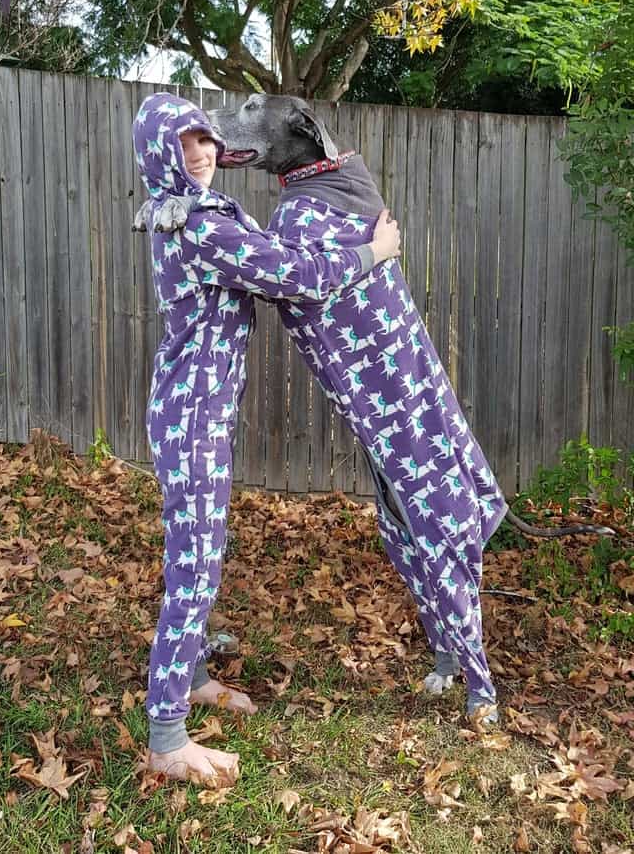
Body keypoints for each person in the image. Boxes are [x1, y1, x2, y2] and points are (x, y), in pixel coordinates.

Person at [132, 92, 401, 785]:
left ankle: (188, 675)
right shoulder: (200, 227)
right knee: (194, 568)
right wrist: (373, 251)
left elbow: (267, 249)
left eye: (202, 138)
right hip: (193, 418)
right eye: (182, 144)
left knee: (200, 556)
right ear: (158, 155)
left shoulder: (198, 211)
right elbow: (296, 275)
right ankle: (167, 738)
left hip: (199, 411)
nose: (199, 152)